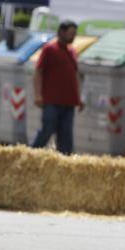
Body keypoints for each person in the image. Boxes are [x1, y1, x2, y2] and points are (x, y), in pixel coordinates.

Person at [30, 20, 84, 155]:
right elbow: (38, 72)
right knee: (47, 130)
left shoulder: (72, 51)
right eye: (71, 34)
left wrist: (79, 97)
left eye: (74, 34)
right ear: (61, 32)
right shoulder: (49, 49)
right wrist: (37, 95)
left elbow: (75, 76)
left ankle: (64, 163)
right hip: (51, 101)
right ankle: (31, 155)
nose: (73, 37)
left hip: (69, 102)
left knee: (66, 137)